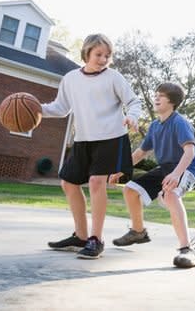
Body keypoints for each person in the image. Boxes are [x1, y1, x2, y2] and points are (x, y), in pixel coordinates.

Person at [43, 33, 141, 259]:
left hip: (111, 137)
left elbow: (133, 101)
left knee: (97, 182)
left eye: (107, 55)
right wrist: (37, 109)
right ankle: (81, 236)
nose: (103, 59)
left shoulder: (114, 77)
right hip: (84, 139)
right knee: (68, 183)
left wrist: (133, 116)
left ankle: (96, 239)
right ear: (87, 53)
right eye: (99, 54)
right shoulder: (70, 78)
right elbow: (60, 108)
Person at [109, 82, 195, 268]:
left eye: (162, 95)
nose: (156, 97)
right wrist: (121, 169)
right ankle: (138, 231)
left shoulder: (179, 122)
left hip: (188, 167)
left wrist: (176, 175)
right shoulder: (154, 126)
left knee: (171, 193)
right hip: (167, 167)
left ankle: (186, 249)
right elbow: (141, 153)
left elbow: (190, 152)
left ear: (173, 101)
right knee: (130, 189)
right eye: (156, 94)